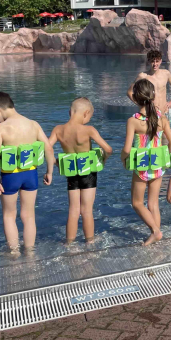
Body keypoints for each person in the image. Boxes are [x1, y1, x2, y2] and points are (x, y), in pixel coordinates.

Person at [0, 91, 54, 253]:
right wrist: (49, 171)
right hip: (31, 175)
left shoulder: (1, 128)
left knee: (9, 215)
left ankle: (14, 253)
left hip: (10, 177)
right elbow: (49, 149)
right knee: (28, 215)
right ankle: (30, 252)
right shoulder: (33, 124)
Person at [49, 98, 113, 244]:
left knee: (73, 210)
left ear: (69, 112)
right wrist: (102, 160)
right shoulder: (89, 130)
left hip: (70, 172)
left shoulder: (58, 130)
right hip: (88, 172)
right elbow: (108, 149)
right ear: (86, 113)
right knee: (86, 210)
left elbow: (46, 149)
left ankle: (69, 243)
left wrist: (57, 163)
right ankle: (90, 241)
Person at [122, 79, 171, 246]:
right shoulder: (162, 119)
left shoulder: (133, 121)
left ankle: (155, 231)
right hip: (158, 165)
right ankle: (156, 236)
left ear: (136, 100)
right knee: (153, 203)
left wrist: (123, 159)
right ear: (153, 97)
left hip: (142, 166)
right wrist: (164, 156)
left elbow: (127, 149)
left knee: (137, 202)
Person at [128, 50, 171, 129]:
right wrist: (140, 104)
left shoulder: (166, 73)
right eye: (152, 61)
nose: (155, 64)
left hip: (164, 112)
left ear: (161, 61)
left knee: (166, 139)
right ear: (148, 61)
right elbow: (129, 92)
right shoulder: (143, 76)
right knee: (152, 138)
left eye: (157, 61)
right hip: (150, 113)